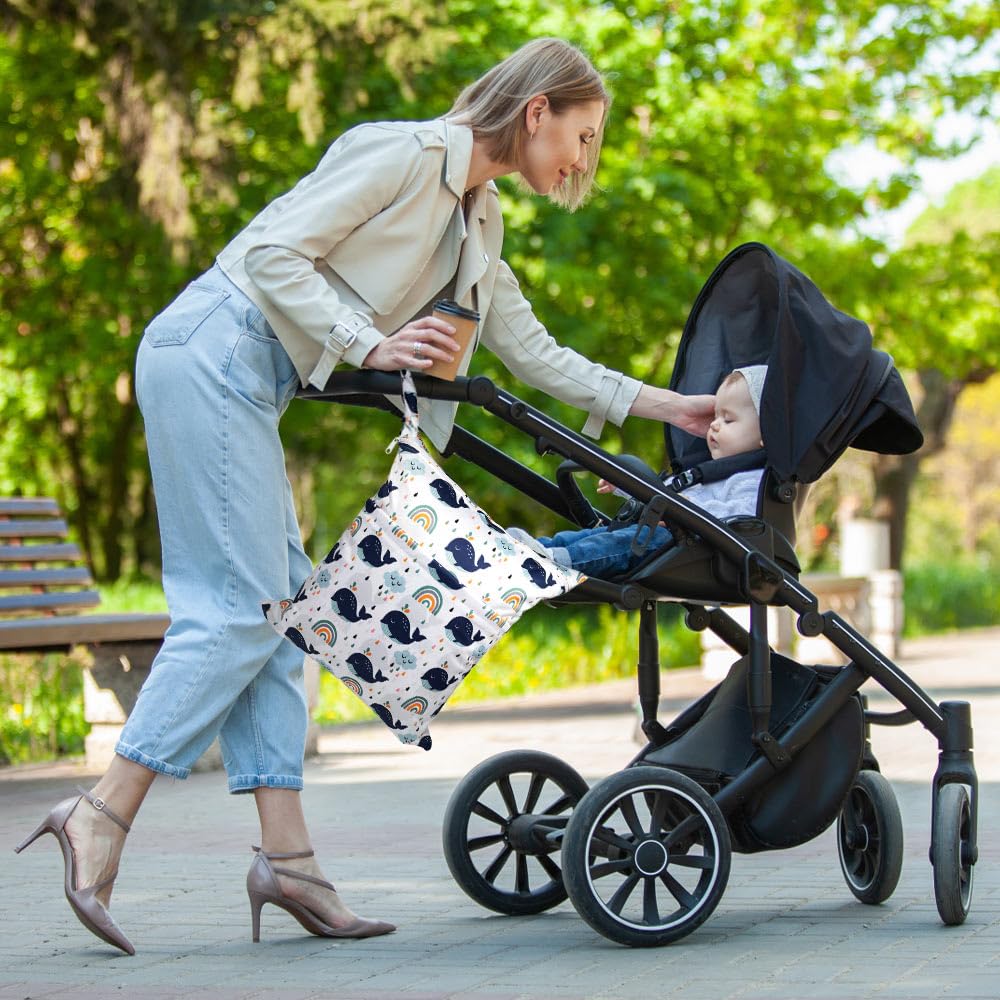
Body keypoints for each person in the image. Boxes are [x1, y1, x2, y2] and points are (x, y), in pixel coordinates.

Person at [13, 37, 716, 955]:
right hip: (209, 351)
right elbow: (268, 253)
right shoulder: (405, 154)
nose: (583, 161)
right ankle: (101, 812)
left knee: (284, 615)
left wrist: (681, 410)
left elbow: (538, 358)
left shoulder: (479, 218)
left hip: (245, 379)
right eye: (582, 137)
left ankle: (290, 864)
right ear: (537, 109)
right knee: (233, 616)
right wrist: (367, 341)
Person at [510, 365, 767, 578]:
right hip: (664, 537)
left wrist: (691, 511)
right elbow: (659, 491)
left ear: (765, 433)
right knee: (599, 535)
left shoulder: (752, 481)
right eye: (715, 418)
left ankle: (556, 561)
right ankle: (537, 550)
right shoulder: (707, 472)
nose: (715, 427)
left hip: (688, 549)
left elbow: (742, 521)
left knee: (616, 543)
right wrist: (625, 484)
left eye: (728, 420)